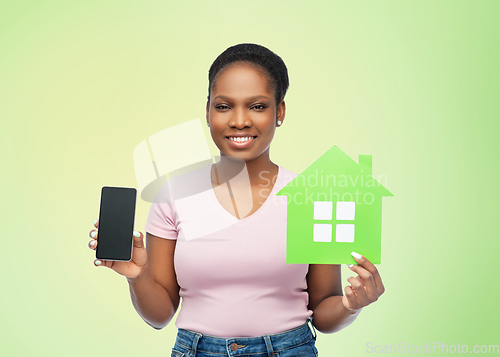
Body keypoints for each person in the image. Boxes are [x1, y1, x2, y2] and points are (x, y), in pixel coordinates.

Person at [88, 43, 385, 357]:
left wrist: (351, 305)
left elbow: (324, 311)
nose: (239, 120)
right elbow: (160, 315)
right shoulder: (174, 195)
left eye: (257, 106)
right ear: (207, 111)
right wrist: (137, 275)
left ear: (279, 111)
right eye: (223, 106)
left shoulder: (312, 195)